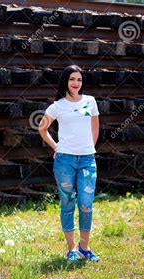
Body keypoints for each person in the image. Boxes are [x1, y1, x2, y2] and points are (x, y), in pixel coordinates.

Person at [38, 64, 100, 262]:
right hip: (65, 160)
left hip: (87, 160)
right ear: (65, 81)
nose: (76, 83)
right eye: (72, 79)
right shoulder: (58, 106)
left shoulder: (90, 102)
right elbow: (42, 128)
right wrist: (56, 147)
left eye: (79, 80)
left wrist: (89, 148)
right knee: (67, 203)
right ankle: (72, 248)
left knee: (86, 203)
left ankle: (85, 247)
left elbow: (95, 128)